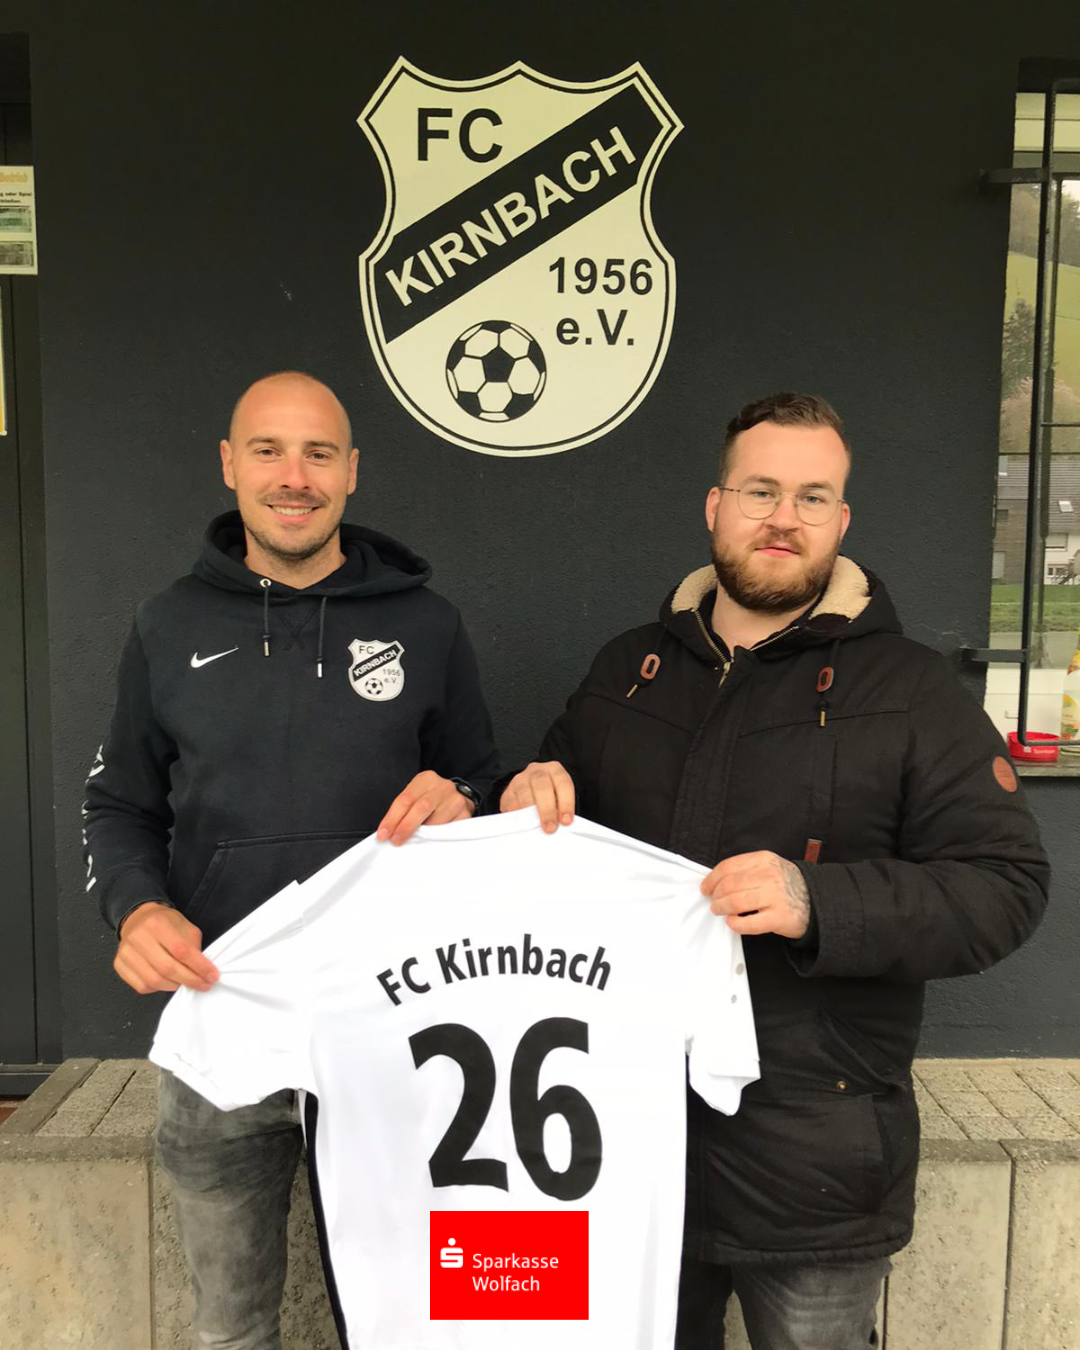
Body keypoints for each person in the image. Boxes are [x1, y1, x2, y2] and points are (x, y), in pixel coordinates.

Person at [497, 392, 1049, 1350]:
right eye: (761, 491)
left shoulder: (913, 692)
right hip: (623, 1148)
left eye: (812, 497)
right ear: (715, 506)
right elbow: (550, 825)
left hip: (814, 1167)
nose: (783, 518)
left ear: (842, 520)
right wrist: (520, 795)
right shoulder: (627, 671)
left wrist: (817, 901)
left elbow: (1006, 885)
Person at [83, 370, 499, 1350]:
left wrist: (465, 798)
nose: (294, 476)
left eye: (318, 454)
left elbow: (482, 779)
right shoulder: (167, 625)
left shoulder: (427, 624)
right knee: (231, 1331)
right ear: (230, 465)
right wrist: (137, 908)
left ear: (352, 471)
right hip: (227, 1017)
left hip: (394, 1024)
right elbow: (120, 804)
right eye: (269, 450)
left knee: (417, 1322)